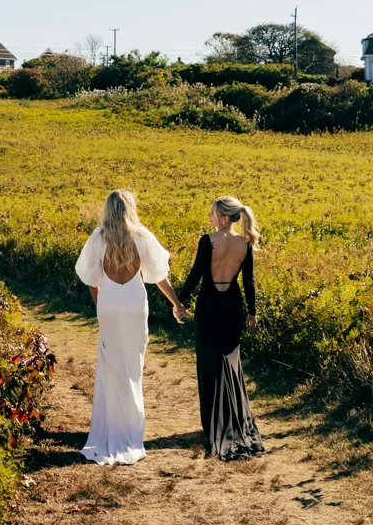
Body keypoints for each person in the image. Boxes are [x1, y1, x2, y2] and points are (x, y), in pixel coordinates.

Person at [74, 188, 184, 464]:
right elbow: (159, 276)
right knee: (133, 367)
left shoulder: (98, 238)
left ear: (107, 210)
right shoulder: (142, 237)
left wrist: (100, 305)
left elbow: (90, 277)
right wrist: (176, 303)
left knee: (110, 365)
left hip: (110, 304)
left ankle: (110, 427)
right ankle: (131, 430)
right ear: (130, 208)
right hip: (135, 303)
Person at [177, 196, 265, 460]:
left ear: (224, 218)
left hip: (209, 308)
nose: (209, 216)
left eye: (212, 212)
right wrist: (252, 312)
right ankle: (233, 423)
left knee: (208, 364)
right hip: (232, 308)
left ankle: (212, 426)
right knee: (231, 365)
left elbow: (195, 275)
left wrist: (179, 302)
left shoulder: (208, 241)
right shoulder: (245, 243)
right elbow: (248, 282)